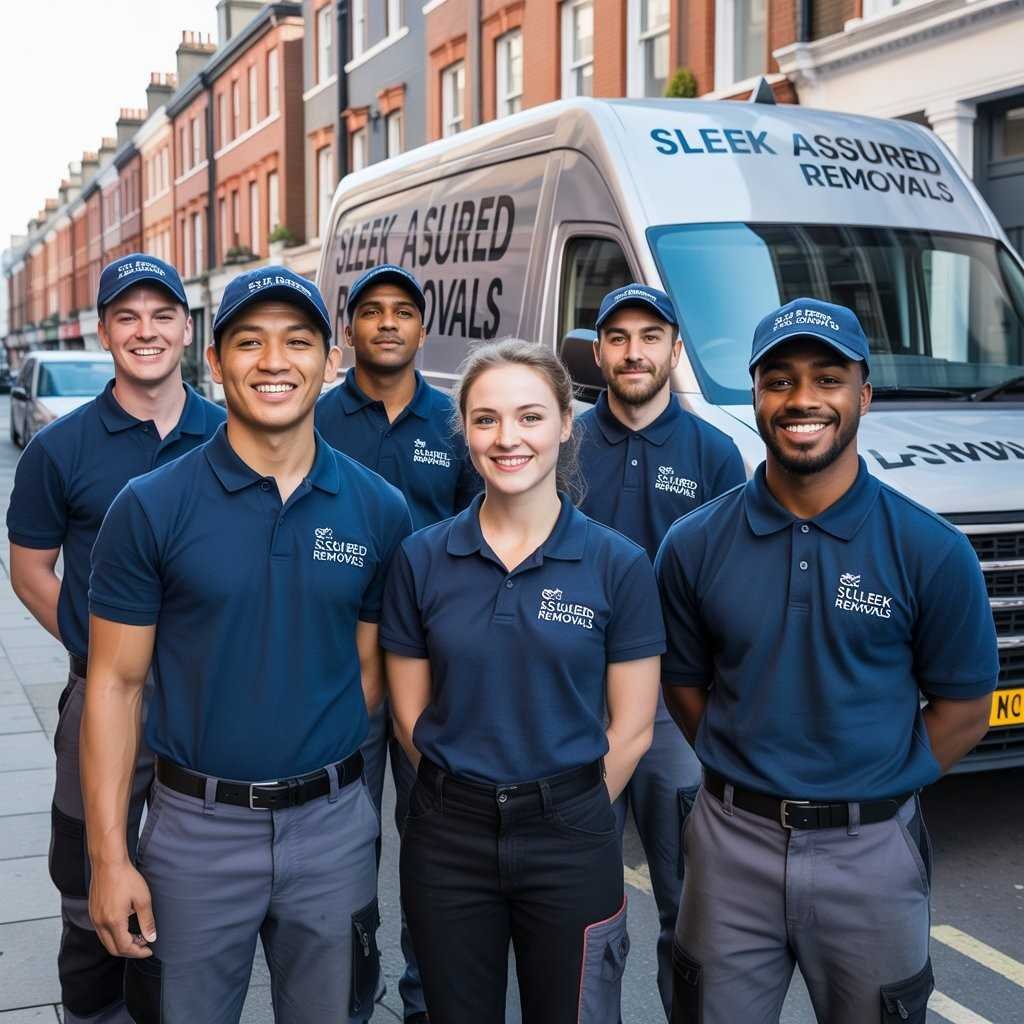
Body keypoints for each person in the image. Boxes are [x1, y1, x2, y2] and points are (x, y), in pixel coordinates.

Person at [81, 266, 412, 1023]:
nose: (273, 361)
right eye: (249, 341)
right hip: (194, 831)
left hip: (332, 830)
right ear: (215, 358)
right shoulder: (151, 507)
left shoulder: (379, 508)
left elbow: (368, 673)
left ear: (330, 359)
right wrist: (109, 856)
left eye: (297, 341)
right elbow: (115, 686)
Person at [656, 298, 998, 1024]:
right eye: (779, 380)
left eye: (828, 378)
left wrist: (875, 787)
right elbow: (683, 687)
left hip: (871, 854)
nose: (802, 399)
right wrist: (746, 767)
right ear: (755, 396)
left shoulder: (932, 550)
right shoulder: (692, 544)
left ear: (863, 395)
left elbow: (966, 711)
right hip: (729, 846)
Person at [380, 338, 664, 1024]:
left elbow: (632, 728)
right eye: (487, 419)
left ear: (566, 423)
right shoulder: (421, 558)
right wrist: (473, 798)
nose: (508, 438)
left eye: (530, 417)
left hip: (571, 833)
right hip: (448, 835)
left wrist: (561, 808)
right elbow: (410, 716)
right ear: (465, 431)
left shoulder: (618, 564)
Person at [6, 253, 224, 1024]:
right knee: (88, 878)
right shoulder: (59, 448)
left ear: (187, 330)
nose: (146, 331)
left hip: (206, 703)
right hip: (99, 697)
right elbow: (30, 570)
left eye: (163, 315)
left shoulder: (231, 436)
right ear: (103, 331)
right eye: (127, 317)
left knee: (196, 887)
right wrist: (101, 650)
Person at [575, 283, 745, 1019]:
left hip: (674, 706)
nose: (633, 352)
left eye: (650, 336)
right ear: (598, 352)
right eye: (618, 337)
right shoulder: (564, 443)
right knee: (581, 900)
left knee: (689, 902)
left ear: (675, 349)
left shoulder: (715, 452)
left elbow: (733, 584)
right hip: (574, 703)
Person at [316, 262, 479, 1024]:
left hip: (433, 672)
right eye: (372, 309)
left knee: (433, 841)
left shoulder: (454, 424)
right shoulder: (314, 419)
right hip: (336, 668)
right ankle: (350, 995)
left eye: (403, 311)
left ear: (422, 327)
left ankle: (425, 1000)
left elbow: (479, 537)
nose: (387, 322)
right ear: (348, 328)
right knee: (343, 848)